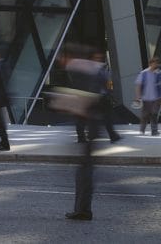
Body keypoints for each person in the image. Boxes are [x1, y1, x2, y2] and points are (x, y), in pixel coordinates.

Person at [65, 51, 105, 221]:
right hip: (91, 130)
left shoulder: (95, 78)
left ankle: (83, 210)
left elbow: (90, 103)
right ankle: (82, 209)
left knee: (84, 174)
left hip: (92, 130)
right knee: (83, 172)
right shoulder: (95, 77)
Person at [76, 53, 120, 144]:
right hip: (92, 97)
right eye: (96, 58)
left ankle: (112, 135)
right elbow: (104, 80)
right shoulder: (92, 69)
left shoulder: (97, 68)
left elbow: (107, 82)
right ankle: (83, 136)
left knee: (107, 116)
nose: (98, 59)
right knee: (84, 117)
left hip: (99, 97)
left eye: (99, 58)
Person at [134, 56, 160, 136]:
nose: (156, 65)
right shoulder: (143, 73)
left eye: (157, 64)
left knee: (154, 114)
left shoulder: (159, 73)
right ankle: (142, 130)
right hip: (146, 98)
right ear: (150, 64)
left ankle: (154, 131)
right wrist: (138, 97)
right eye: (155, 63)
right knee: (145, 115)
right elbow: (138, 85)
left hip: (157, 98)